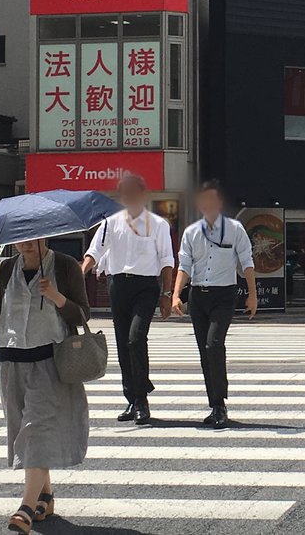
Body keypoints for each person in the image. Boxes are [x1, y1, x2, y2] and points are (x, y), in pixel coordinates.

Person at [0, 239, 90, 534]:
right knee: (23, 428)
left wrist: (57, 297)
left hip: (50, 360)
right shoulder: (6, 269)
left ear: (44, 236)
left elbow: (83, 314)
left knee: (36, 429)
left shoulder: (65, 266)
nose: (24, 244)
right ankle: (44, 497)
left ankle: (25, 507)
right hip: (10, 359)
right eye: (18, 239)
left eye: (29, 238)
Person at [82, 174, 174, 425]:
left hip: (146, 287)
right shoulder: (110, 223)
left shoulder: (158, 224)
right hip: (118, 285)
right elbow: (94, 252)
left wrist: (166, 295)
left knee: (135, 338)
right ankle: (131, 398)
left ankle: (142, 397)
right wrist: (80, 273)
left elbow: (167, 261)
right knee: (123, 343)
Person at [172, 180, 258, 429]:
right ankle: (214, 405)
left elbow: (247, 262)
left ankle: (220, 404)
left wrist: (252, 295)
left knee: (214, 344)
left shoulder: (234, 229)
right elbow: (185, 266)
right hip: (199, 296)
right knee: (204, 352)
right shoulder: (191, 232)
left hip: (224, 295)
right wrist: (176, 294)